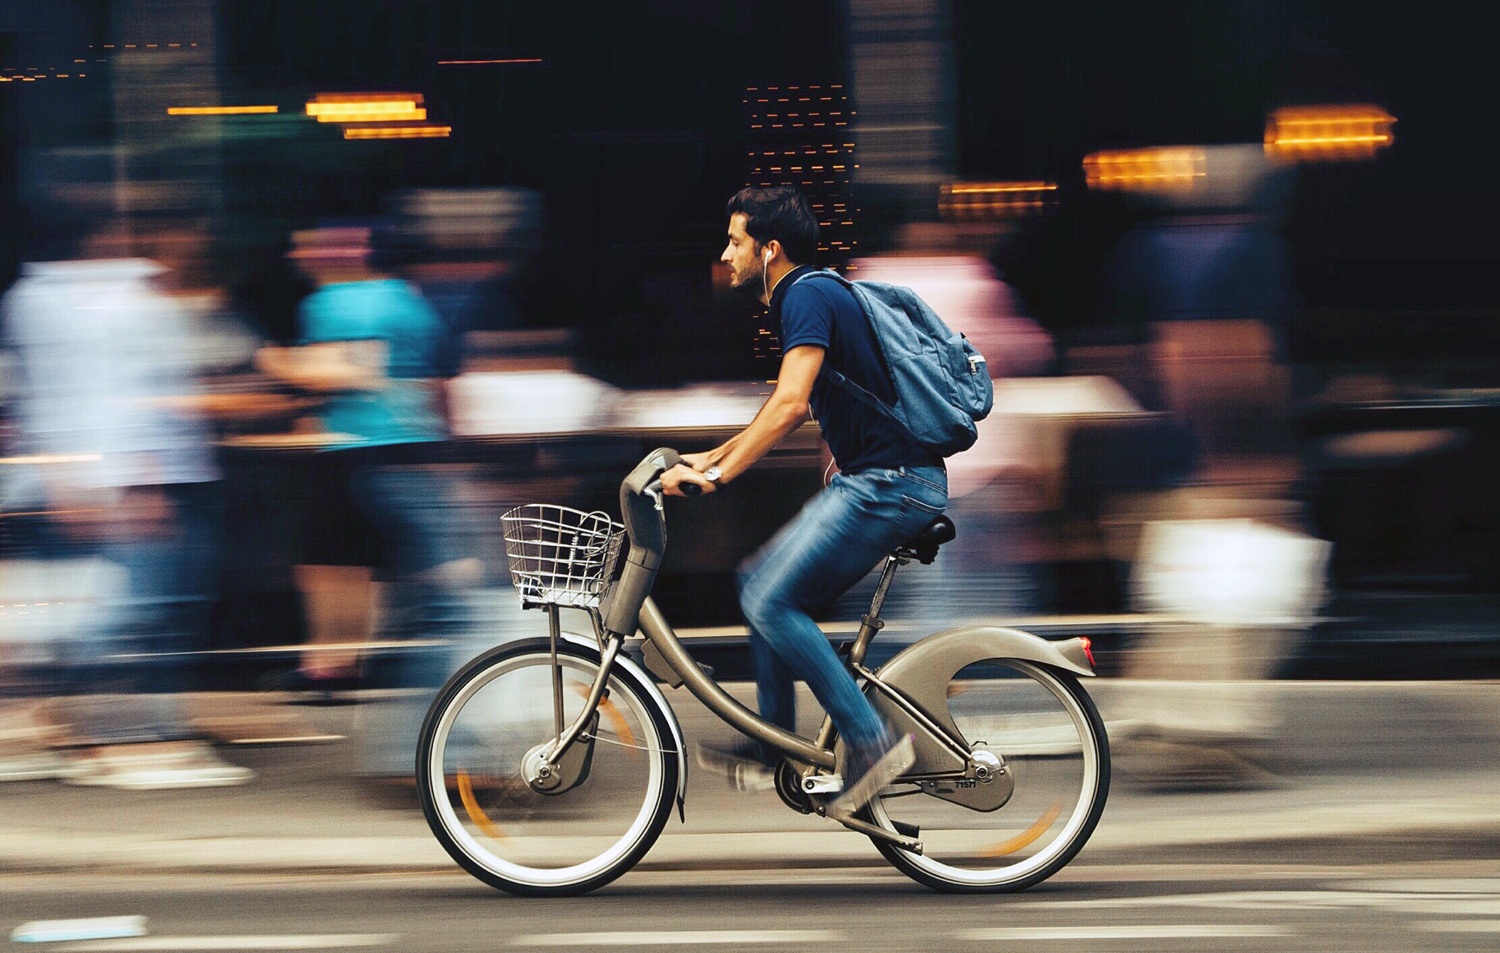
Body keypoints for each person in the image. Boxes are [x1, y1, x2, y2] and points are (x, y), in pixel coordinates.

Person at [660, 186, 948, 815]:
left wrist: (720, 477)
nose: (726, 253)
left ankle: (872, 742)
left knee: (768, 598)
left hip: (890, 483)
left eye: (736, 241)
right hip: (875, 480)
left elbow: (790, 404)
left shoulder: (807, 295)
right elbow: (787, 409)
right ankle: (774, 746)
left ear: (770, 249)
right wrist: (710, 457)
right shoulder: (811, 293)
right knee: (757, 578)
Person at [0, 214, 251, 789]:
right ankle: (119, 740)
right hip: (133, 475)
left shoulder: (45, 297)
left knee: (157, 605)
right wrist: (134, 479)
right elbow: (104, 396)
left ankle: (147, 734)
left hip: (138, 473)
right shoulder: (97, 301)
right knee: (133, 609)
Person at [255, 224, 481, 782]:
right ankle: (423, 746)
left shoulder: (335, 302)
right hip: (406, 457)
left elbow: (343, 371)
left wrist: (271, 361)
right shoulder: (409, 300)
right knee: (441, 596)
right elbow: (432, 386)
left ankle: (402, 735)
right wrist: (449, 451)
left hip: (363, 459)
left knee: (431, 599)